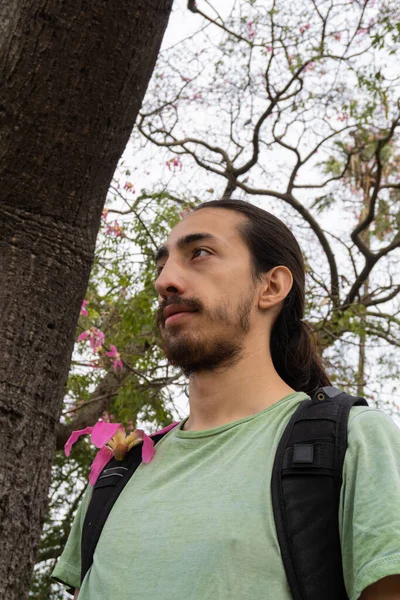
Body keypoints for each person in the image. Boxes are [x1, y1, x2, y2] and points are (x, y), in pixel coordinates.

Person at [52, 198, 400, 599]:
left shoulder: (355, 441)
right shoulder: (117, 474)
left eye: (199, 253)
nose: (164, 281)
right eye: (161, 265)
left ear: (270, 286)